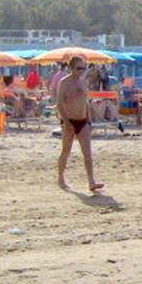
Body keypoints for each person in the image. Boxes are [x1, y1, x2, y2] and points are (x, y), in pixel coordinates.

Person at [54, 56, 103, 192]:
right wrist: (66, 122)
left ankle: (91, 181)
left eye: (83, 68)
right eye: (78, 68)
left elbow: (85, 102)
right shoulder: (64, 82)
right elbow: (59, 104)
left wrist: (89, 120)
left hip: (83, 121)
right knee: (66, 151)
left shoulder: (83, 82)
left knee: (87, 153)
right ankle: (61, 178)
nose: (81, 71)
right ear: (71, 68)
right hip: (69, 120)